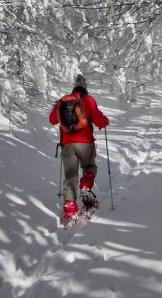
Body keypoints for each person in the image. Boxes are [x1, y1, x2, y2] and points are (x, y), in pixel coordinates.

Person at [49, 73, 109, 221]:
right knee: (89, 167)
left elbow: (52, 120)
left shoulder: (62, 102)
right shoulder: (88, 100)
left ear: (74, 87)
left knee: (70, 177)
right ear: (85, 88)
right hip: (86, 144)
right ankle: (85, 188)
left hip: (67, 146)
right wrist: (105, 122)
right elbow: (98, 119)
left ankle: (69, 207)